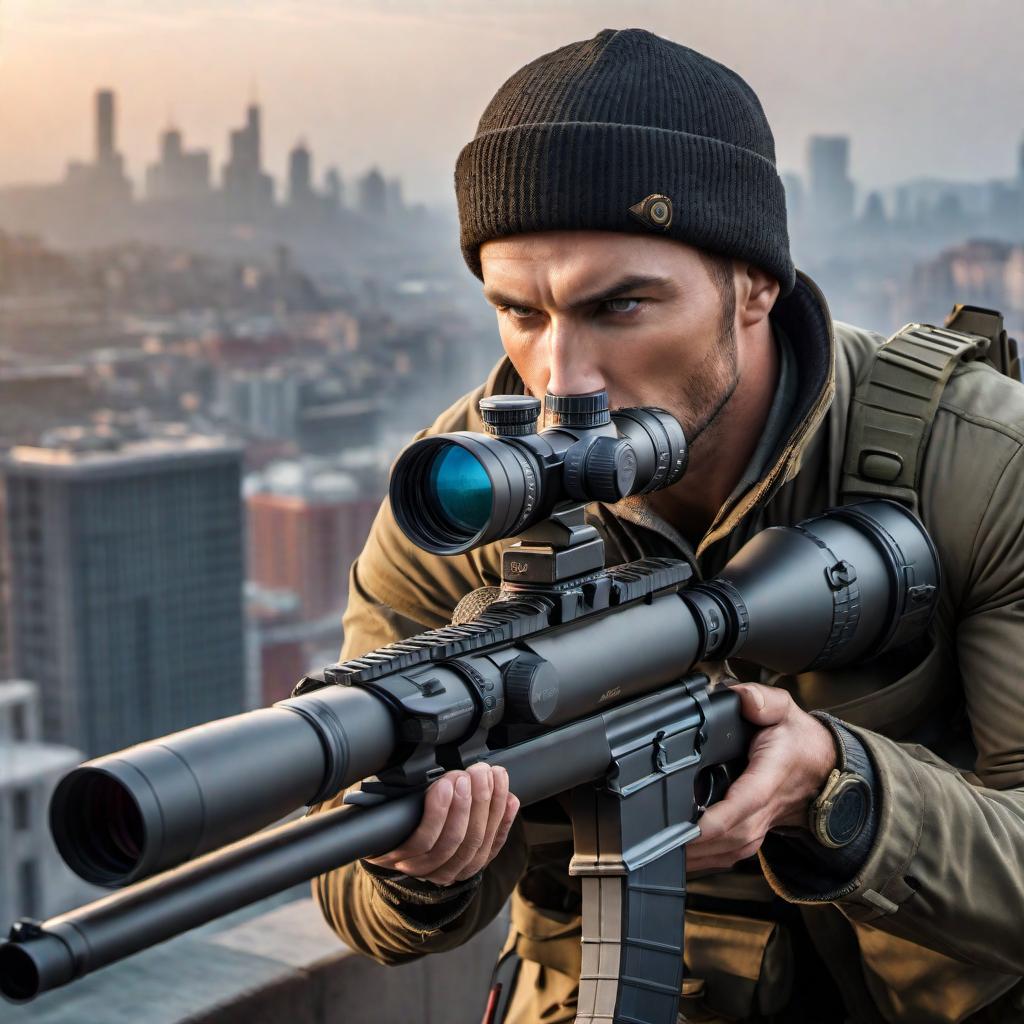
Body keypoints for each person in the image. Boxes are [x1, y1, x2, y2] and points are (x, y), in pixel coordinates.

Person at [308, 28, 1024, 1024]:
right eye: (520, 312)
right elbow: (350, 883)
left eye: (623, 306)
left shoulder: (980, 463)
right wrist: (411, 863)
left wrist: (843, 788)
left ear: (755, 284)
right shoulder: (462, 495)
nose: (563, 380)